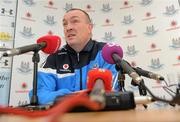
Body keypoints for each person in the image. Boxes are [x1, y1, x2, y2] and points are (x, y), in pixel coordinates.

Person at [29, 8, 120, 105]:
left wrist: (63, 98)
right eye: (65, 24)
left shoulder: (106, 53)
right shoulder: (54, 58)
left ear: (89, 28)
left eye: (75, 21)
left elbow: (111, 93)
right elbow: (39, 95)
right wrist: (70, 96)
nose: (68, 28)